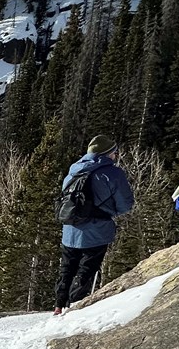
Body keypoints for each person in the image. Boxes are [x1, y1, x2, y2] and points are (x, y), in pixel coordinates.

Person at [54, 134, 135, 315]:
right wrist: (111, 210)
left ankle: (59, 305)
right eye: (115, 152)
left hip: (70, 227)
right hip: (97, 229)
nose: (116, 156)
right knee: (87, 270)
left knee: (67, 268)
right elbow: (125, 203)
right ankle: (76, 307)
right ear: (108, 153)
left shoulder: (75, 169)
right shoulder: (112, 173)